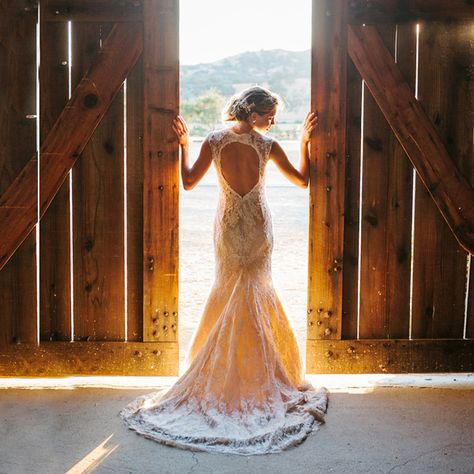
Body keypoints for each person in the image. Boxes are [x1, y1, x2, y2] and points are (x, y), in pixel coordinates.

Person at [120, 86, 328, 455]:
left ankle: (228, 372)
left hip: (230, 228)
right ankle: (258, 373)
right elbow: (302, 179)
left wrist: (185, 146)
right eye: (270, 115)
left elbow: (187, 182)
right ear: (253, 114)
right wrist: (303, 142)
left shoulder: (214, 141)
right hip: (259, 226)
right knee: (257, 291)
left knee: (227, 291)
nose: (273, 122)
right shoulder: (268, 145)